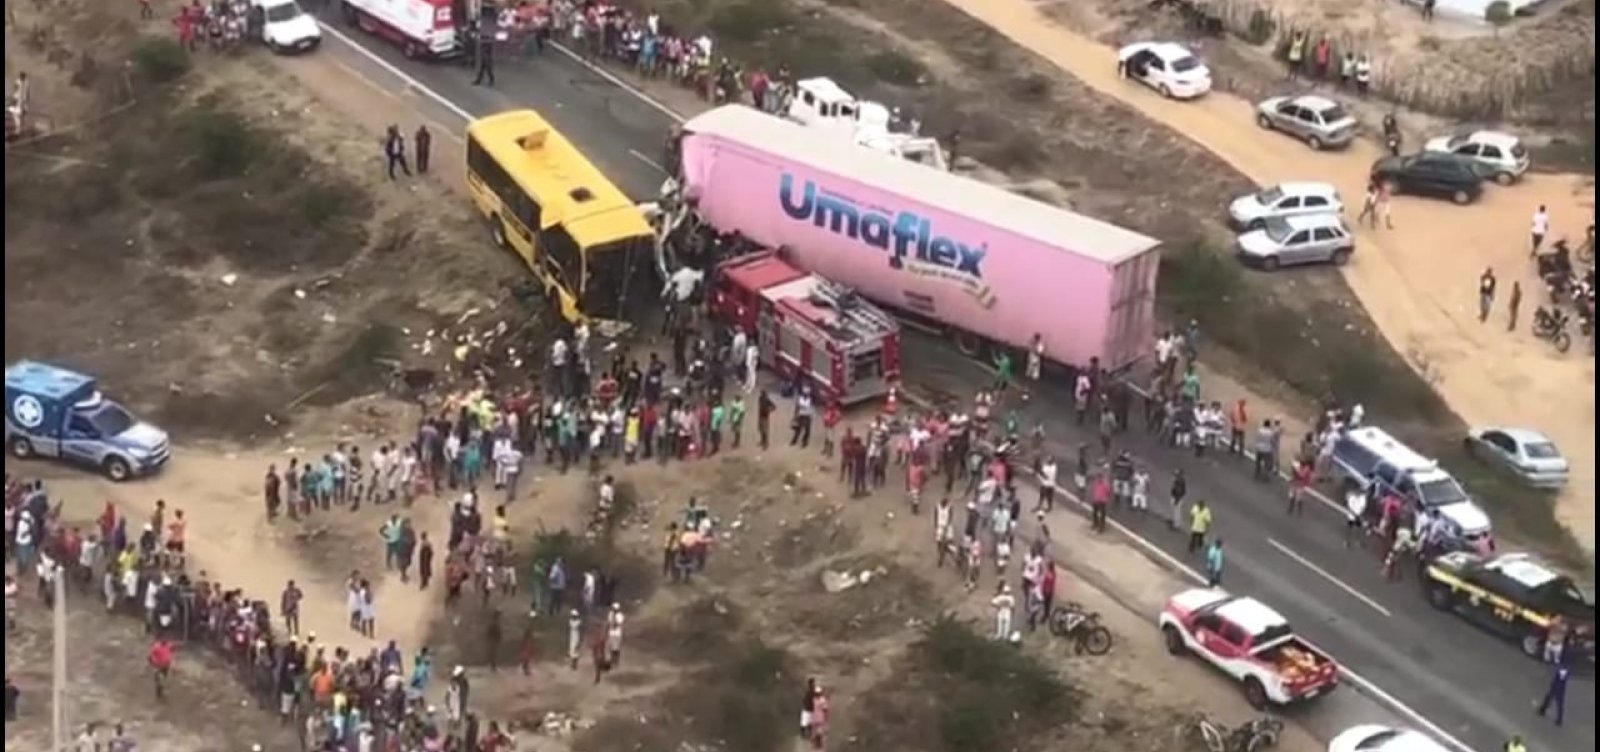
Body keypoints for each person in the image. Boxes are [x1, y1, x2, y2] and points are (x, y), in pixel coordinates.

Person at [148, 635, 175, 699]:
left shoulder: (169, 645)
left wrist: (172, 663)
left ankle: (160, 692)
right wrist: (153, 663)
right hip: (158, 666)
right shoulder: (156, 646)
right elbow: (150, 656)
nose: (165, 640)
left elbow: (172, 653)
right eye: (163, 638)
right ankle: (159, 692)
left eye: (166, 638)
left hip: (165, 666)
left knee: (163, 679)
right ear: (160, 639)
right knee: (159, 681)